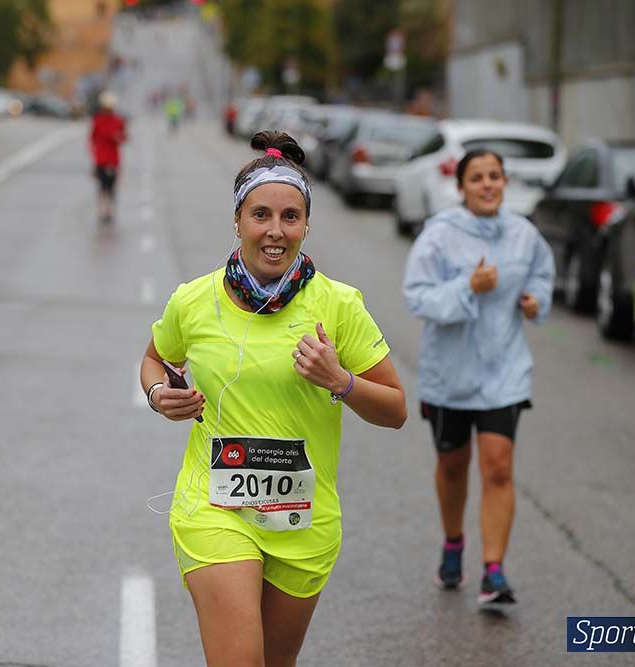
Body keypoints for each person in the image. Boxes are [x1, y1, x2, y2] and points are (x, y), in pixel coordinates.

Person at [140, 131, 407, 665]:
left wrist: (341, 381)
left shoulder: (339, 304)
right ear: (238, 221)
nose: (275, 231)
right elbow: (155, 358)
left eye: (291, 217)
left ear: (307, 225)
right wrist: (157, 394)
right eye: (261, 214)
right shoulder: (193, 300)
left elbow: (396, 410)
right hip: (215, 511)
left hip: (303, 521)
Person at [402, 149, 554, 605]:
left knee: (499, 468)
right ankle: (453, 544)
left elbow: (544, 277)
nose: (487, 185)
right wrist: (467, 286)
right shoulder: (440, 235)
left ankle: (493, 570)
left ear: (505, 183)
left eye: (495, 176)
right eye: (478, 178)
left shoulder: (524, 235)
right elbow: (418, 297)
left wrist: (534, 301)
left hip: (504, 371)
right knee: (453, 465)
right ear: (462, 186)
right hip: (449, 375)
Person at [90, 90, 127, 224]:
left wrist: (118, 137)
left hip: (113, 160)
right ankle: (102, 211)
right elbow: (92, 139)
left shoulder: (118, 120)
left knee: (111, 187)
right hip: (101, 159)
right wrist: (94, 157)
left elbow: (124, 137)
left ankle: (109, 211)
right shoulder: (98, 120)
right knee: (102, 187)